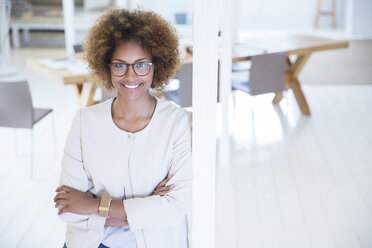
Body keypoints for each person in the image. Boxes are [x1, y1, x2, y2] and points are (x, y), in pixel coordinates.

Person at [53, 8, 192, 248]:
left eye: (141, 65)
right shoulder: (85, 121)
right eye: (119, 65)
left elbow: (174, 209)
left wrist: (93, 205)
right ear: (106, 66)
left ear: (156, 65)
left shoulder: (179, 123)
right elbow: (69, 210)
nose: (130, 76)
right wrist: (147, 205)